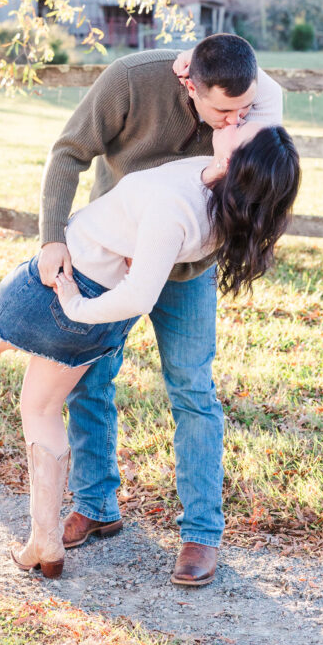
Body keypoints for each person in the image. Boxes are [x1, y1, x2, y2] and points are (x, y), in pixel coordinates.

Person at [0, 119, 299, 580]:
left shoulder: (178, 208)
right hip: (90, 297)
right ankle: (43, 540)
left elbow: (139, 295)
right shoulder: (220, 192)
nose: (236, 121)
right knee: (42, 407)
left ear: (236, 160)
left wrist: (72, 304)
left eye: (243, 128)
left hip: (65, 286)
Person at [37, 33, 283, 586]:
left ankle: (201, 534)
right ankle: (97, 504)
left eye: (242, 110)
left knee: (193, 391)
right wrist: (53, 237)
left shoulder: (250, 101)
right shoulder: (131, 79)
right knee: (90, 380)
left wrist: (241, 106)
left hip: (191, 267)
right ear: (187, 81)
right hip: (114, 259)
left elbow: (261, 155)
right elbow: (68, 153)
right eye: (223, 111)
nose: (234, 123)